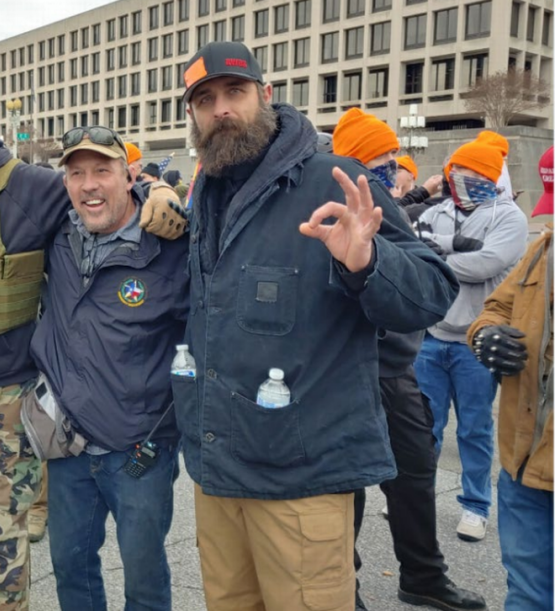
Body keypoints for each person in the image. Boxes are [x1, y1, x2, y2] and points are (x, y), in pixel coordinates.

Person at [175, 41, 458, 611]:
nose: (221, 109)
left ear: (268, 96)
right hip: (217, 473)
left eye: (236, 92)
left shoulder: (334, 179)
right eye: (205, 100)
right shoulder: (208, 189)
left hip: (300, 482)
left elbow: (433, 291)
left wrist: (370, 263)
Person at [0, 71, 186, 611]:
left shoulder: (35, 185)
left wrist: (157, 189)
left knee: (5, 544)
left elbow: (99, 190)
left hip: (8, 402)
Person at [333, 108, 485, 611]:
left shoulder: (396, 207)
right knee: (346, 490)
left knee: (415, 477)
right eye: (382, 159)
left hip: (399, 369)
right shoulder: (333, 210)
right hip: (351, 372)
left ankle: (422, 576)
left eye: (394, 158)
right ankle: (345, 588)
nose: (393, 167)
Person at [31, 126, 188, 610]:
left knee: (143, 575)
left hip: (139, 448)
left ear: (129, 176)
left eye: (103, 170)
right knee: (72, 568)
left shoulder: (172, 242)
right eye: (77, 173)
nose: (89, 184)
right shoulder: (56, 231)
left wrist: (162, 191)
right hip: (68, 444)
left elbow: (197, 342)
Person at [415, 135, 529, 543]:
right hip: (430, 338)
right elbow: (413, 249)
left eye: (477, 173)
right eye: (460, 170)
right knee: (422, 427)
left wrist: (436, 253)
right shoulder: (438, 210)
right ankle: (414, 501)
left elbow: (487, 263)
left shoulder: (509, 217)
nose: (466, 178)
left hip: (475, 343)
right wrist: (451, 247)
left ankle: (475, 506)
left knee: (474, 430)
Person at [467, 145, 553, 611]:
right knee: (525, 593)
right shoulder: (544, 249)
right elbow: (496, 306)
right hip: (523, 464)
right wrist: (486, 335)